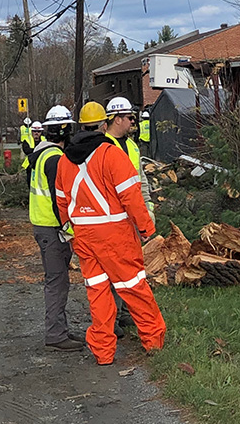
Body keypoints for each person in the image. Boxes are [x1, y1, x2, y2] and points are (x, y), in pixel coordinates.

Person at [55, 101, 166, 366]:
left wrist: (72, 227)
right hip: (115, 234)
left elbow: (61, 201)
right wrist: (146, 228)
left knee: (98, 292)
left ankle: (103, 352)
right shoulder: (112, 154)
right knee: (133, 287)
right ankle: (153, 341)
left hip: (83, 236)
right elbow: (132, 197)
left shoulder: (65, 160)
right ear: (104, 125)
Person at [28, 105, 84, 352]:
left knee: (57, 279)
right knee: (58, 281)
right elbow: (58, 197)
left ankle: (59, 328)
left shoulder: (41, 153)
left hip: (43, 225)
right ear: (64, 130)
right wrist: (68, 228)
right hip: (52, 228)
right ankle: (55, 333)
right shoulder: (54, 158)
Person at [103, 97, 156, 335]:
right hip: (113, 219)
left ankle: (124, 312)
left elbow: (140, 180)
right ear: (117, 119)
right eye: (130, 118)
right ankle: (111, 317)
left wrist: (148, 210)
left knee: (131, 268)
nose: (133, 122)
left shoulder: (132, 146)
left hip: (131, 216)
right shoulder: (104, 146)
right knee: (112, 270)